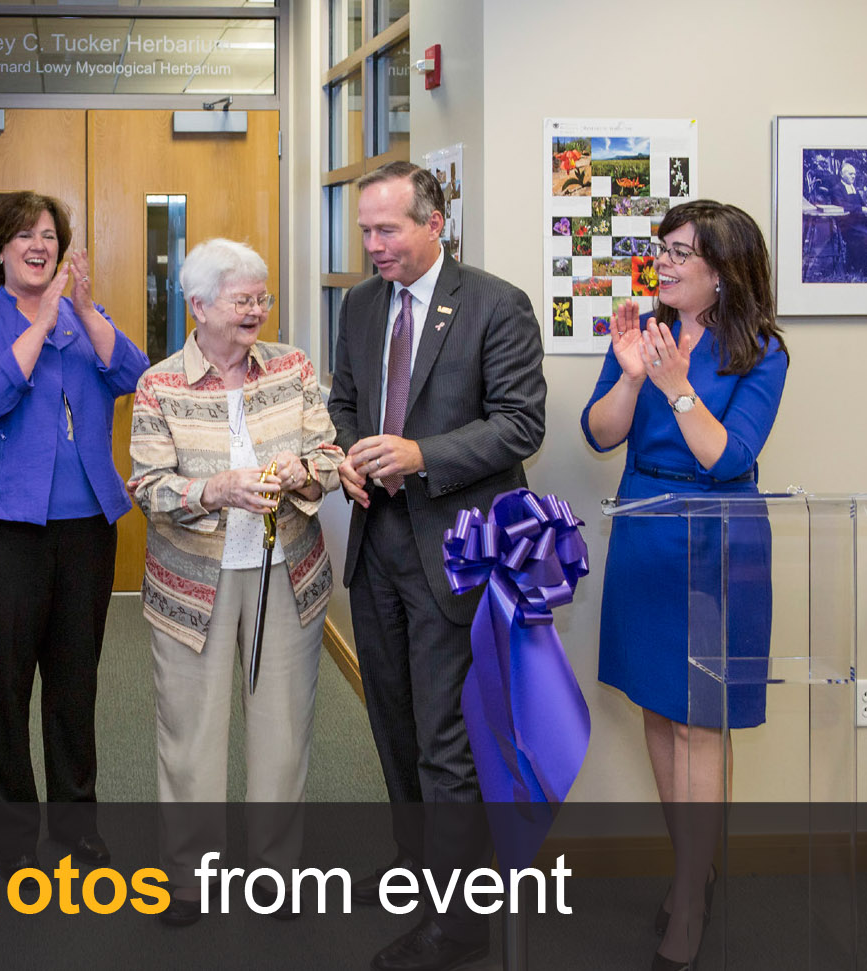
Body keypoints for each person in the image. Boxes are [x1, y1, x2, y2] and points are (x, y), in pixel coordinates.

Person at [327, 161, 546, 971]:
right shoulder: (357, 306)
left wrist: (423, 454)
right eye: (365, 232)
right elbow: (345, 400)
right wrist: (349, 454)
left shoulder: (495, 305)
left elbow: (521, 424)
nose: (373, 245)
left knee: (447, 745)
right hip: (377, 549)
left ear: (434, 223)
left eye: (387, 230)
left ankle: (459, 927)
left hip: (456, 552)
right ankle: (426, 879)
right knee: (394, 728)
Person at [582, 200, 788, 971]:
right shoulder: (643, 331)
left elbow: (725, 455)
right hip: (643, 524)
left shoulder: (761, 350)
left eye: (679, 253)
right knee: (660, 712)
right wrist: (633, 377)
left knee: (703, 722)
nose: (663, 264)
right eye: (660, 249)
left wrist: (674, 385)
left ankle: (693, 898)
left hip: (716, 539)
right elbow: (600, 432)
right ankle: (690, 866)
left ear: (723, 268)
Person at [129, 238, 343, 926]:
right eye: (242, 298)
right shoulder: (159, 383)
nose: (257, 310)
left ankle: (276, 872)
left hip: (288, 572)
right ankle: (192, 877)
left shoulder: (292, 366)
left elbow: (328, 450)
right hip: (193, 582)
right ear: (198, 305)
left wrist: (304, 474)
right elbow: (150, 489)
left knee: (283, 728)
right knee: (190, 732)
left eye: (263, 297)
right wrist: (218, 488)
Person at [0, 190, 148, 870]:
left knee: (75, 683)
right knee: (3, 687)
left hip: (86, 524)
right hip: (1, 529)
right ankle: (9, 840)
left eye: (50, 235)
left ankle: (75, 825)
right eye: (25, 235)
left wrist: (83, 310)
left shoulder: (85, 320)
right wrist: (37, 320)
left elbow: (135, 377)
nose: (40, 245)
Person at [829, 159, 867, 279]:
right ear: (842, 174)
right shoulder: (837, 189)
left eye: (854, 174)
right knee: (865, 236)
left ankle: (859, 265)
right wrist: (862, 209)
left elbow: (862, 204)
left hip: (860, 222)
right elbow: (842, 206)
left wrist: (864, 208)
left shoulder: (853, 188)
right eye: (851, 174)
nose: (853, 176)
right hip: (847, 224)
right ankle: (861, 268)